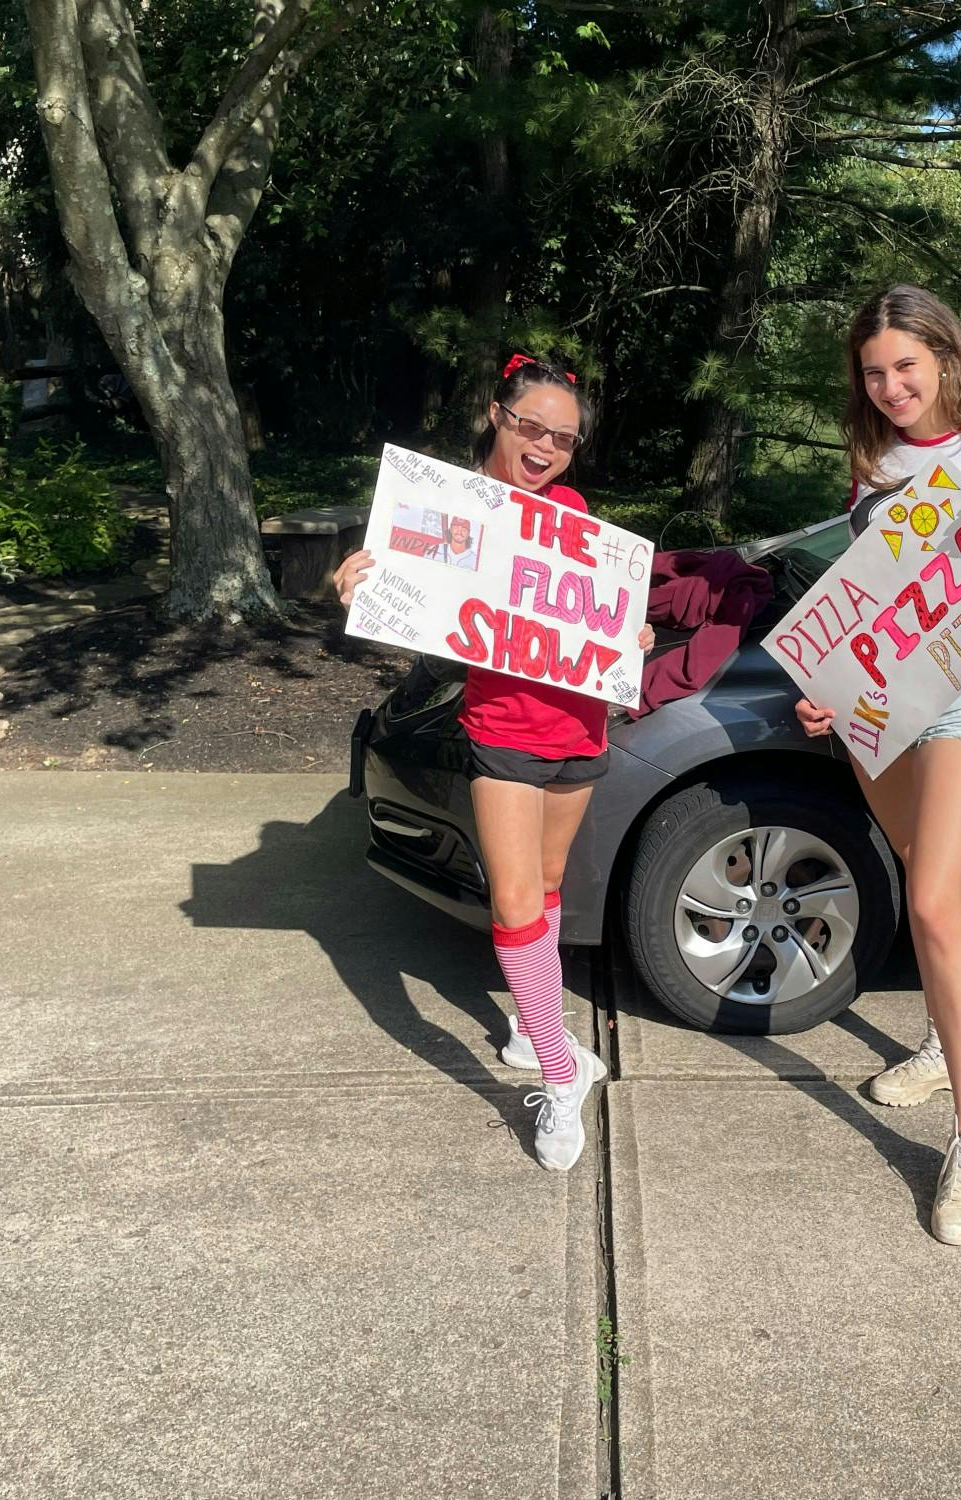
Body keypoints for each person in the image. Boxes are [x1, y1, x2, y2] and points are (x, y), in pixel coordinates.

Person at [335, 352, 651, 1171]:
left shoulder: (575, 513)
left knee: (542, 894)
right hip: (502, 733)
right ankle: (560, 1070)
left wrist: (631, 638)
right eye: (532, 427)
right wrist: (363, 586)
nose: (546, 447)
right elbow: (405, 616)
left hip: (580, 734)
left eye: (565, 438)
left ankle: (530, 1022)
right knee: (513, 904)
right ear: (496, 416)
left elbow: (600, 618)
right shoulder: (445, 508)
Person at [795, 285, 961, 1246]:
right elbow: (866, 596)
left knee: (937, 902)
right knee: (916, 874)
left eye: (906, 365)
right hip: (877, 704)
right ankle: (943, 1044)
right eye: (874, 371)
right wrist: (828, 686)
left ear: (946, 356)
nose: (892, 385)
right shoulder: (873, 462)